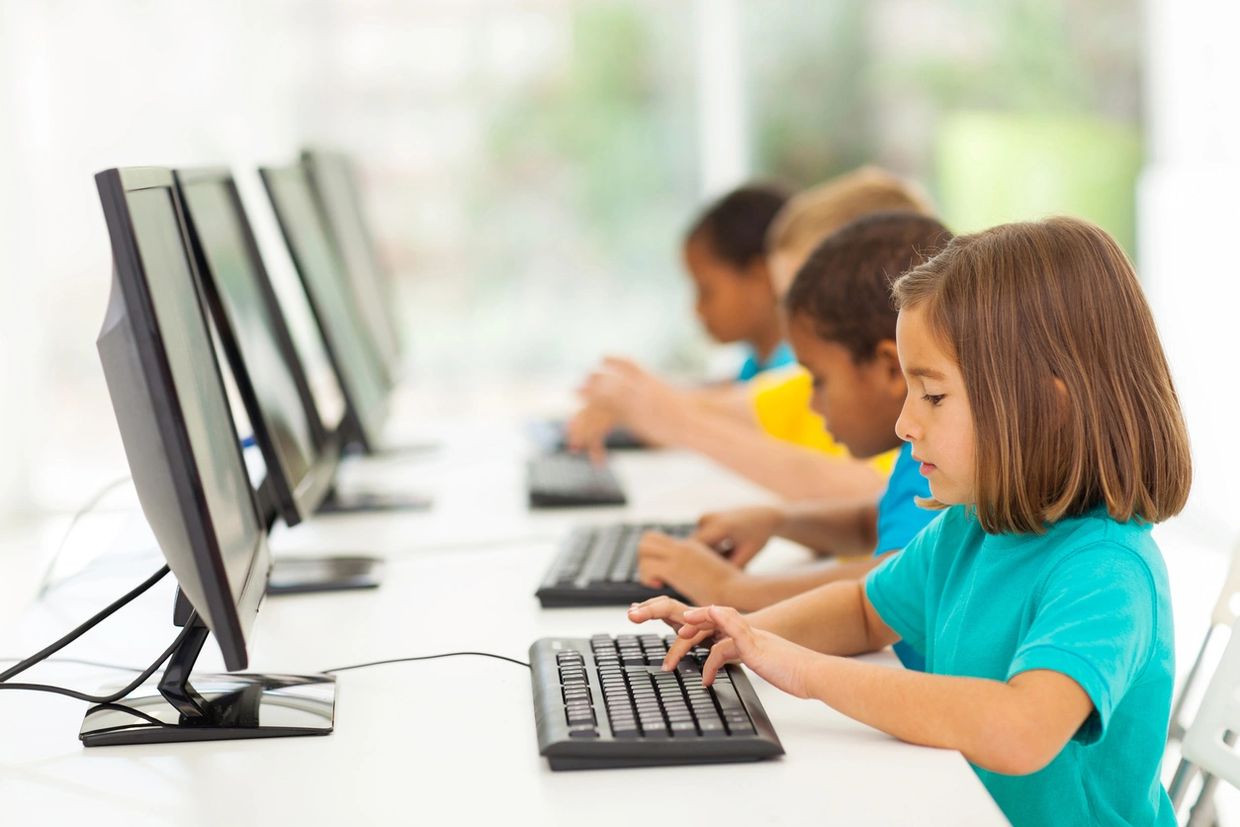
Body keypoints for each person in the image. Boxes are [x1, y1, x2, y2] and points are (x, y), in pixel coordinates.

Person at [629, 217, 1190, 825]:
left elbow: (1021, 728)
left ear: (1048, 406)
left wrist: (806, 672)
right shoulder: (971, 526)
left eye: (933, 396)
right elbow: (864, 610)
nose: (904, 424)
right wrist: (744, 636)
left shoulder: (1107, 572)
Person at [637, 213, 951, 673]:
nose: (812, 403)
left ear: (889, 369)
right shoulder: (922, 456)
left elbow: (889, 579)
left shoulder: (939, 455)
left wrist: (736, 594)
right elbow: (878, 522)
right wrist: (779, 520)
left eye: (819, 380)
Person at [568, 167, 933, 501]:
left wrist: (675, 420)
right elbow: (725, 406)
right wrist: (635, 400)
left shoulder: (927, 429)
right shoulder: (805, 385)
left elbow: (871, 497)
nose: (790, 323)